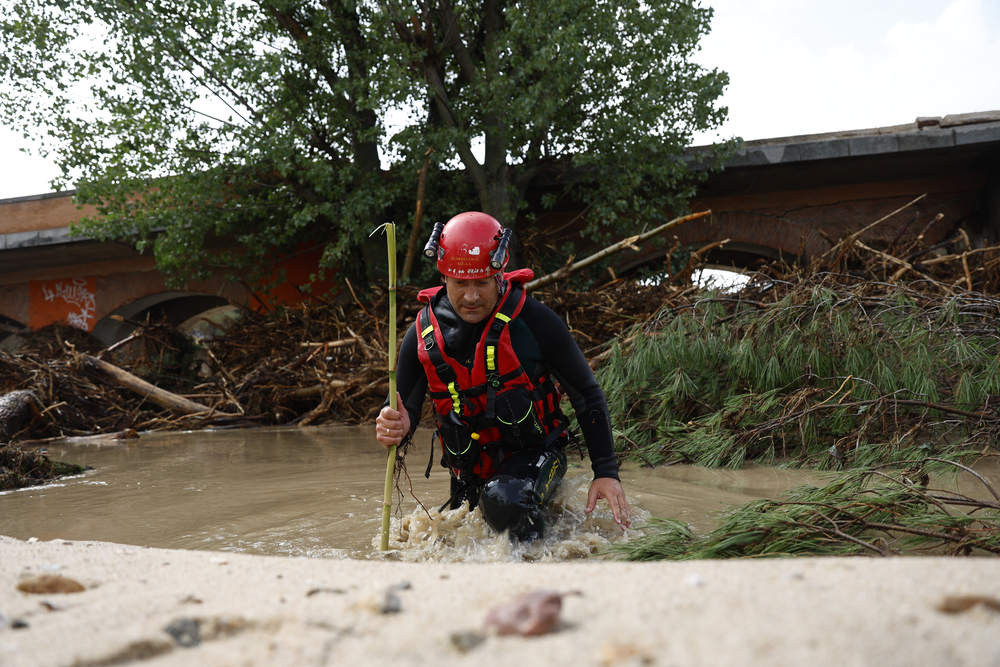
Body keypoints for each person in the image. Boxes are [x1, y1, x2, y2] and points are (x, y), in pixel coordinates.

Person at [375, 211, 631, 541]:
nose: (471, 297)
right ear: (444, 279)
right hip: (469, 471)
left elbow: (587, 394)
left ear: (499, 274)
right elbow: (400, 408)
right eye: (460, 284)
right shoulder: (421, 333)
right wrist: (394, 425)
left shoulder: (535, 322)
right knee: (458, 535)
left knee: (505, 500)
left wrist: (606, 472)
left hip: (537, 457)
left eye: (481, 283)